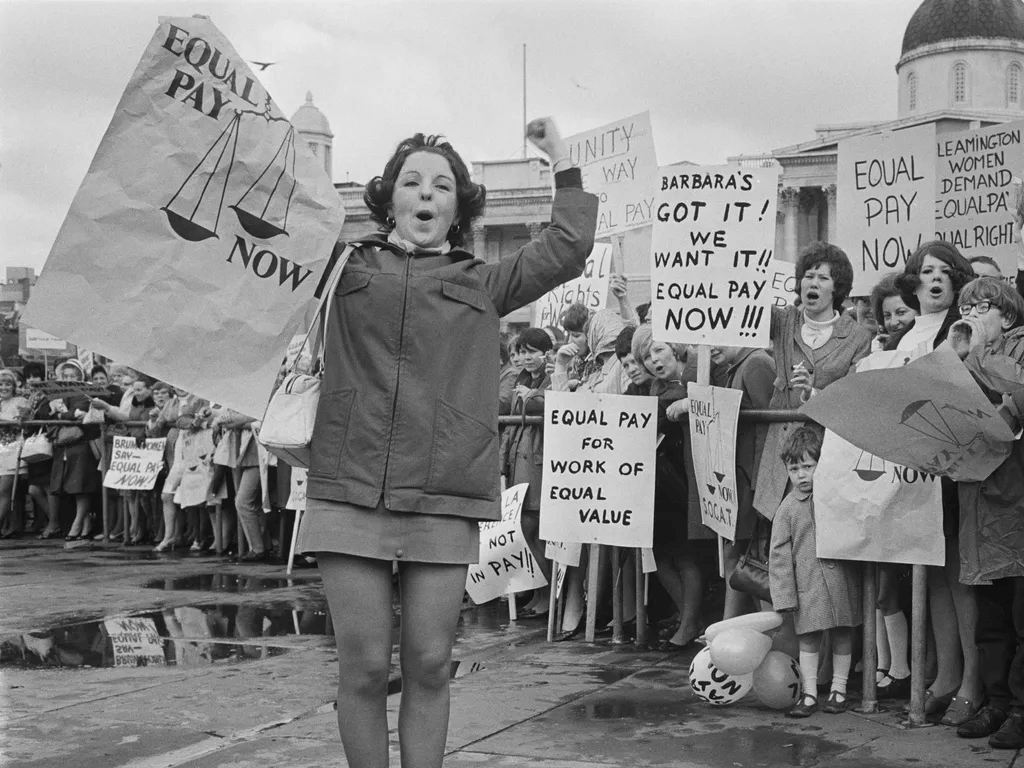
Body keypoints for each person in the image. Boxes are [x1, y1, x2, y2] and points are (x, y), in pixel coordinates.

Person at [297, 119, 597, 768]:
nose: (425, 193)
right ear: (389, 200)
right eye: (410, 181)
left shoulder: (481, 282)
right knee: (366, 668)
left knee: (431, 663)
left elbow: (570, 246)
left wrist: (561, 159)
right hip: (348, 491)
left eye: (440, 184)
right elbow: (262, 242)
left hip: (443, 495)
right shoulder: (344, 268)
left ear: (459, 206)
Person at [894, 241, 978, 718]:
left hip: (951, 463)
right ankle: (946, 672)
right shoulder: (902, 337)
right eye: (926, 270)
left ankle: (971, 677)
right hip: (911, 466)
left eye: (946, 271)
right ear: (913, 280)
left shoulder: (962, 328)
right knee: (931, 571)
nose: (935, 278)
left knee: (959, 574)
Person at [946, 276, 1024, 746]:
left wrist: (973, 354)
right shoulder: (960, 356)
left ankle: (1020, 708)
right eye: (967, 305)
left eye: (983, 306)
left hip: (1017, 502)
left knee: (1021, 611)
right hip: (980, 500)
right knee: (990, 614)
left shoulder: (1013, 355)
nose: (972, 313)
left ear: (1008, 317)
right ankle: (996, 703)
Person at [754, 242, 874, 521]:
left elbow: (854, 399)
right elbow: (746, 299)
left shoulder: (858, 338)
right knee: (781, 533)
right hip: (782, 452)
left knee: (822, 530)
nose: (814, 283)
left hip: (826, 453)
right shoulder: (783, 321)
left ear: (837, 287)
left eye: (823, 277)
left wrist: (814, 392)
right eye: (808, 275)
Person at [769, 426, 861, 718]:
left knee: (843, 632)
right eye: (794, 468)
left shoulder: (835, 498)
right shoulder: (787, 509)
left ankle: (839, 689)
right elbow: (779, 555)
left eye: (808, 466)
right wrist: (784, 597)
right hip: (807, 585)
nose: (801, 475)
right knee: (808, 637)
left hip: (841, 581)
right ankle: (809, 694)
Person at [713, 344, 776, 620]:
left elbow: (771, 427)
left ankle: (755, 627)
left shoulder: (756, 363)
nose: (712, 344)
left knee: (753, 559)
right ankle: (731, 626)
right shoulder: (738, 365)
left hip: (753, 478)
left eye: (719, 336)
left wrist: (762, 484)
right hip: (740, 477)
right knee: (739, 556)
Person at [499, 327, 554, 617]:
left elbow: (549, 406)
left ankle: (545, 596)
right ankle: (538, 592)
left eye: (533, 351)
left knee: (537, 531)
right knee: (526, 531)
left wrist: (530, 395)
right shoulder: (523, 379)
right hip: (520, 460)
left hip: (538, 463)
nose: (527, 357)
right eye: (523, 351)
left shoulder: (550, 378)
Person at [0, 369, 30, 538]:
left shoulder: (21, 401)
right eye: (1, 384)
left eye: (7, 384)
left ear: (13, 386)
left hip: (12, 449)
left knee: (5, 491)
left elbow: (20, 422)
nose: (3, 387)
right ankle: (9, 526)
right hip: (0, 449)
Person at [870, 273, 918, 351]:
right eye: (887, 316)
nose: (893, 323)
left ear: (919, 311)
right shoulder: (878, 350)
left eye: (901, 312)